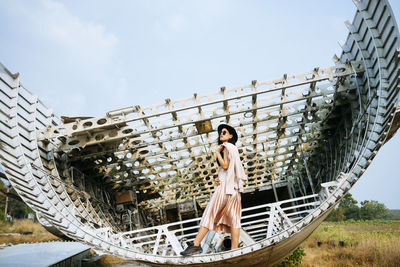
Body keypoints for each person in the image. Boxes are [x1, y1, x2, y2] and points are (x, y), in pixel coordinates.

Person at [180, 123, 247, 256]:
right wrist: (220, 177)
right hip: (234, 190)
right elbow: (227, 169)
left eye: (224, 132)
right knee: (234, 218)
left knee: (210, 212)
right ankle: (234, 249)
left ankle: (196, 244)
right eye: (220, 133)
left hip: (224, 190)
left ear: (231, 135)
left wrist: (217, 153)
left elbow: (226, 165)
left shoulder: (227, 146)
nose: (221, 134)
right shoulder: (233, 148)